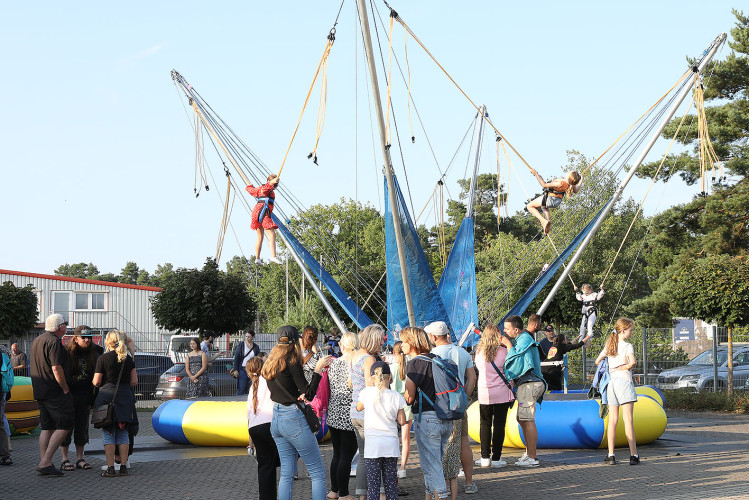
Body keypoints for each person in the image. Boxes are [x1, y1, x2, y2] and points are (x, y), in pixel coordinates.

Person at [263, 325, 332, 500]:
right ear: (296, 341)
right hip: (293, 418)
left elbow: (285, 388)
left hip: (277, 418)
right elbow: (309, 393)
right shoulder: (292, 362)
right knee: (317, 471)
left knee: (286, 473)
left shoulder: (271, 362)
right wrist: (318, 369)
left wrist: (296, 393)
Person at [425, 321, 478, 496]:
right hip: (459, 405)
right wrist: (465, 397)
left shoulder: (431, 355)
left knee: (441, 445)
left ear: (433, 337)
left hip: (440, 407)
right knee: (464, 441)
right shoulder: (462, 352)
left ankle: (443, 485)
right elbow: (472, 377)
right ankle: (469, 482)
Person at [401, 326, 452, 500]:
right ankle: (429, 496)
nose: (401, 346)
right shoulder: (437, 359)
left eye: (404, 342)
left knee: (433, 465)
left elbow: (409, 397)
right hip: (445, 417)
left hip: (427, 418)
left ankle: (441, 496)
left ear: (412, 344)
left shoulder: (414, 364)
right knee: (432, 463)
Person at [30, 313, 73, 476]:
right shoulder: (54, 342)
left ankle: (44, 462)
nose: (66, 327)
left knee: (47, 427)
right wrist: (65, 388)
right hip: (54, 391)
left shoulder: (37, 340)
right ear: (60, 327)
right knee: (65, 424)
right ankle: (46, 461)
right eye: (65, 324)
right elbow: (56, 367)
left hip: (40, 390)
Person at [356, 361, 406, 500]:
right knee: (390, 485)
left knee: (373, 486)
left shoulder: (366, 392)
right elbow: (402, 420)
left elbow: (358, 407)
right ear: (389, 377)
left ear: (372, 377)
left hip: (373, 446)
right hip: (390, 445)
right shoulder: (396, 396)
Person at [501, 314, 546, 467]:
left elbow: (515, 360)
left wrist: (507, 345)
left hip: (530, 383)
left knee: (528, 419)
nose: (504, 332)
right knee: (521, 419)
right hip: (526, 384)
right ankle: (528, 453)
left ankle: (532, 457)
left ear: (516, 330)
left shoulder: (524, 339)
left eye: (507, 329)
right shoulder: (522, 340)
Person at [595, 317, 639, 465]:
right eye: (630, 330)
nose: (632, 332)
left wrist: (611, 366)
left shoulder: (610, 344)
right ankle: (633, 455)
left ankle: (611, 455)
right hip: (624, 381)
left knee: (613, 420)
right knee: (628, 420)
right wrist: (624, 366)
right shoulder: (627, 346)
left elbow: (597, 361)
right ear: (623, 330)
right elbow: (633, 362)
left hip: (611, 383)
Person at [93, 330, 138, 477]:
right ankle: (124, 467)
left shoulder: (103, 359)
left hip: (107, 398)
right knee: (123, 432)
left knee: (108, 433)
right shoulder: (128, 359)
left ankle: (111, 468)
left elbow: (96, 381)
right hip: (125, 399)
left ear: (108, 342)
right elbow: (134, 382)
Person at [349, 324, 386, 500]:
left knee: (364, 456)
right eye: (380, 341)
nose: (382, 344)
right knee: (372, 457)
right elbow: (371, 387)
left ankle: (362, 495)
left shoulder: (355, 355)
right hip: (368, 413)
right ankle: (371, 494)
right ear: (372, 340)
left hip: (355, 411)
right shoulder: (369, 359)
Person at [60, 326, 102, 471]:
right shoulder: (66, 352)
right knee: (66, 426)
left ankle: (80, 458)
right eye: (83, 337)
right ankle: (64, 459)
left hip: (85, 395)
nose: (87, 340)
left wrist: (92, 399)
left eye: (89, 337)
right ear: (75, 339)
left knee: (82, 427)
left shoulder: (95, 352)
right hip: (69, 394)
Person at [473, 324, 513, 469]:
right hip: (501, 392)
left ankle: (484, 458)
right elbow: (512, 364)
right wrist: (507, 344)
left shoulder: (478, 352)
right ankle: (496, 458)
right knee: (499, 426)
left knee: (484, 424)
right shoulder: (503, 351)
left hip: (484, 392)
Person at [327, 332, 359, 500]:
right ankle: (345, 494)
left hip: (333, 414)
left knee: (337, 454)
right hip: (349, 415)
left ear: (342, 346)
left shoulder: (334, 364)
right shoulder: (356, 364)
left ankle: (334, 491)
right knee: (346, 456)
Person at [246, 356, 280, 500]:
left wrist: (250, 442)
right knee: (285, 458)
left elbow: (249, 417)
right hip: (270, 424)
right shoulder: (270, 381)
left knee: (265, 467)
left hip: (255, 429)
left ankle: (266, 497)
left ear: (249, 372)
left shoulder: (251, 388)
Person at [526, 169, 582, 234]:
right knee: (544, 207)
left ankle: (543, 221)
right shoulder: (569, 185)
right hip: (556, 202)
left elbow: (544, 185)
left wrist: (536, 174)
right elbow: (575, 190)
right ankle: (547, 222)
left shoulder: (560, 183)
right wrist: (581, 180)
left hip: (549, 199)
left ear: (568, 176)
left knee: (529, 206)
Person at [246, 173, 282, 265]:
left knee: (260, 237)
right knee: (272, 234)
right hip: (263, 212)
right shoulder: (267, 189)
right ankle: (273, 256)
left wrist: (249, 185)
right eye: (276, 184)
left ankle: (257, 259)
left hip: (256, 212)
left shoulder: (260, 189)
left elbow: (251, 191)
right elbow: (268, 187)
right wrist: (273, 182)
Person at [388, 341, 412, 479]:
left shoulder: (392, 368)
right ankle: (403, 467)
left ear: (394, 353)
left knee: (393, 437)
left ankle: (392, 466)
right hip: (407, 405)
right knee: (406, 438)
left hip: (393, 405)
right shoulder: (409, 366)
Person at [233, 330, 260, 395]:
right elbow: (236, 357)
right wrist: (235, 369)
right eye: (246, 336)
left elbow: (258, 359)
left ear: (253, 337)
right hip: (243, 369)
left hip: (252, 370)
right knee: (241, 388)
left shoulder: (256, 347)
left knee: (251, 389)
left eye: (249, 337)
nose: (247, 338)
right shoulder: (241, 345)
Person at [0, 344, 12, 466]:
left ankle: (5, 455)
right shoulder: (2, 352)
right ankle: (5, 456)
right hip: (2, 393)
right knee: (1, 423)